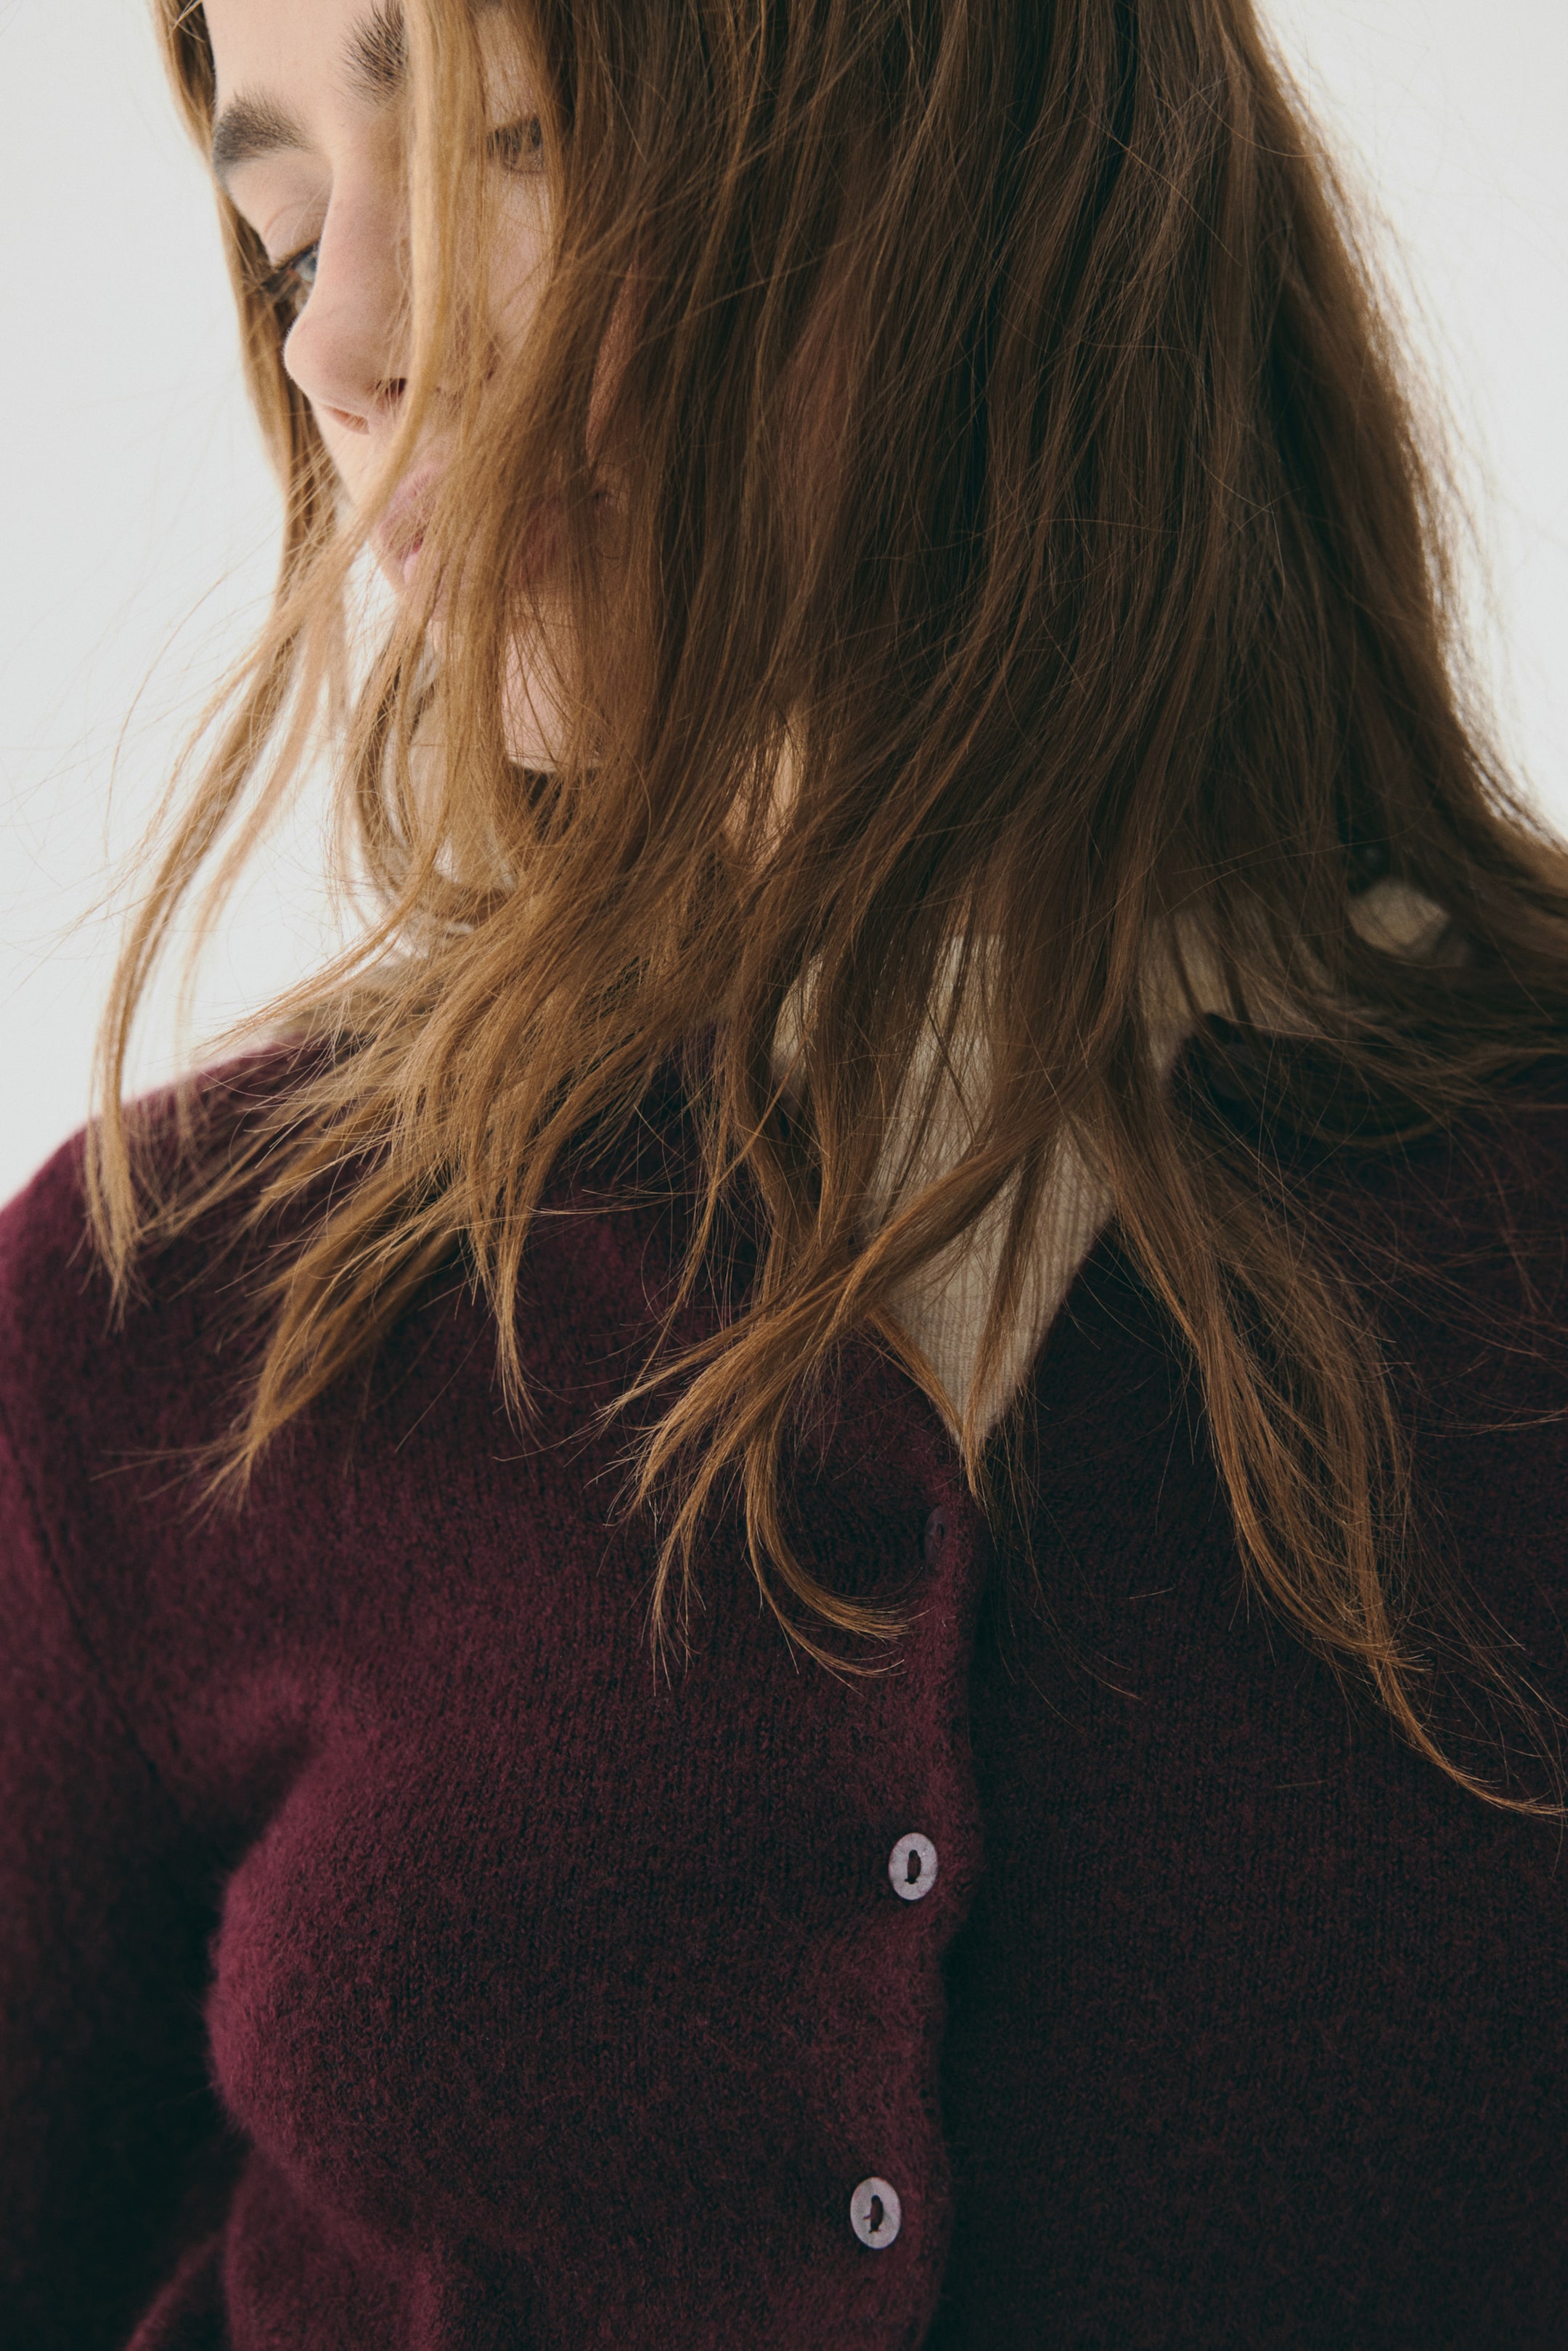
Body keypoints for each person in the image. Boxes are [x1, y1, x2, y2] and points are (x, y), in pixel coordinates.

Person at [5, 0, 1568, 2341]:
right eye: (289, 235)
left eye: (516, 134)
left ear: (986, 124)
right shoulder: (163, 1304)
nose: (338, 342)